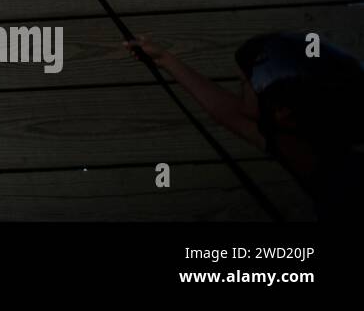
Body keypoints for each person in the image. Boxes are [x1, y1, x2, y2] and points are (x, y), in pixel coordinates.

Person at [125, 31, 364, 220]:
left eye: (244, 84)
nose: (239, 88)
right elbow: (231, 115)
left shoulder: (347, 193)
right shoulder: (302, 143)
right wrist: (165, 59)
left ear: (282, 111)